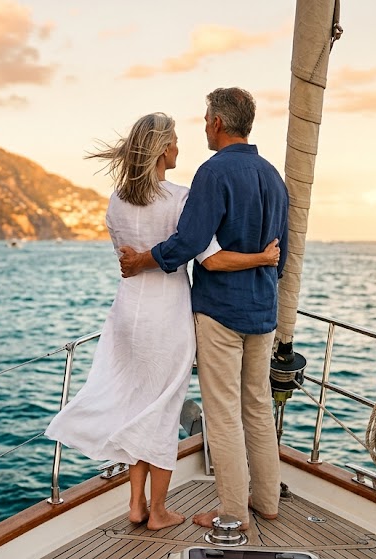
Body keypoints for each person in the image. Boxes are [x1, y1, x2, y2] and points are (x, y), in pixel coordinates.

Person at [45, 112, 279, 531]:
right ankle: (158, 512)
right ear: (161, 149)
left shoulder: (117, 200)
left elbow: (126, 258)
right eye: (173, 141)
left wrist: (140, 260)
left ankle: (135, 505)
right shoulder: (180, 198)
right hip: (167, 316)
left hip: (126, 315)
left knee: (138, 405)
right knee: (164, 410)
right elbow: (208, 256)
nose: (178, 147)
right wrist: (263, 258)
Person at [118, 87, 289, 531]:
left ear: (217, 122)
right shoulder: (273, 176)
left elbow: (192, 242)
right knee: (257, 406)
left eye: (205, 119)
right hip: (263, 311)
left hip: (220, 312)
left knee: (224, 412)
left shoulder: (213, 173)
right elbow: (282, 256)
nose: (203, 127)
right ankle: (267, 502)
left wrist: (144, 260)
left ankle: (233, 511)